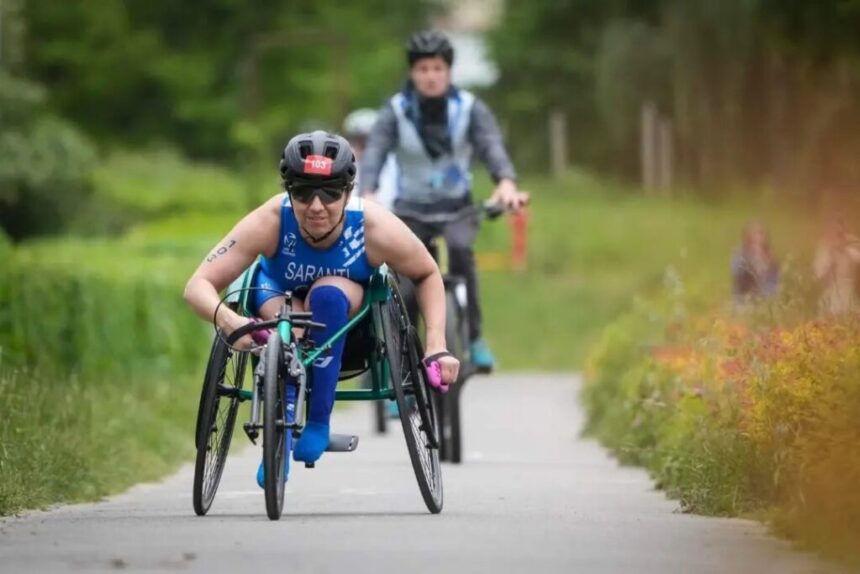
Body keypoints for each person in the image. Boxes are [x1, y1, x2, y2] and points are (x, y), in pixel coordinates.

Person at [184, 131, 460, 485]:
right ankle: (279, 438)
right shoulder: (270, 220)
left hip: (347, 318)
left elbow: (426, 273)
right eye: (302, 192)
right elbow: (197, 286)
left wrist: (436, 345)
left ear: (348, 192)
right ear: (288, 191)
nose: (316, 206)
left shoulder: (374, 227)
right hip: (277, 303)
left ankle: (318, 421)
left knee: (327, 294)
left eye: (330, 192)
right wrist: (230, 320)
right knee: (289, 320)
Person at [359, 30, 529, 371]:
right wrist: (368, 192)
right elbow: (375, 152)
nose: (431, 76)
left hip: (457, 209)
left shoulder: (470, 109)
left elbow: (491, 147)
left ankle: (475, 337)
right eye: (423, 69)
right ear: (412, 73)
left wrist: (506, 184)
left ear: (448, 72)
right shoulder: (395, 111)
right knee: (404, 285)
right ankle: (400, 366)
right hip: (411, 212)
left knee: (462, 252)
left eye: (437, 68)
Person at [342, 108, 398, 210]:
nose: (365, 147)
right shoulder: (343, 164)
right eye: (359, 141)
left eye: (369, 141)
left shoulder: (395, 164)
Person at [813, 215, 860, 315]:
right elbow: (818, 274)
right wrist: (831, 258)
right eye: (836, 233)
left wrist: (849, 244)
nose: (839, 237)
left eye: (841, 233)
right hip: (831, 295)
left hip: (848, 294)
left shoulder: (849, 248)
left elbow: (857, 258)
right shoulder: (824, 250)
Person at [731, 222, 780, 305]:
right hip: (744, 299)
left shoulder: (770, 257)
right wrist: (753, 262)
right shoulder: (739, 256)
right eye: (754, 235)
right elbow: (738, 278)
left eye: (760, 234)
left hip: (767, 298)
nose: (757, 238)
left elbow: (774, 282)